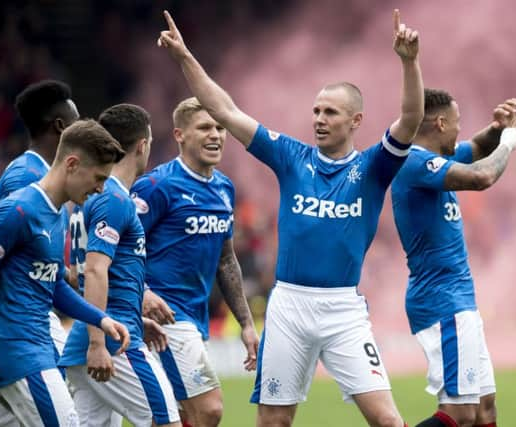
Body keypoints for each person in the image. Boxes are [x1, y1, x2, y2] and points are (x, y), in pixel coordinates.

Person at [157, 8, 423, 427]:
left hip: (343, 310)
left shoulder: (374, 167)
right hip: (288, 307)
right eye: (316, 111)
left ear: (356, 121)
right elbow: (225, 111)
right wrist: (185, 56)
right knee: (273, 422)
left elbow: (410, 119)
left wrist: (409, 62)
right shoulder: (291, 157)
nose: (318, 119)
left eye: (330, 113)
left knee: (387, 420)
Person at [0, 119, 130, 426]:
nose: (101, 188)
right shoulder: (18, 210)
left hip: (19, 353)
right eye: (98, 178)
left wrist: (100, 318)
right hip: (21, 354)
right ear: (72, 164)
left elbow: (54, 284)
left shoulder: (58, 213)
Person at [390, 89, 516, 427]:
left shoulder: (438, 161)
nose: (459, 131)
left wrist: (497, 129)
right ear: (439, 123)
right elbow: (482, 176)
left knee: (484, 407)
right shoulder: (415, 162)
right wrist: (508, 142)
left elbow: (478, 148)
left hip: (458, 300)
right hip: (441, 302)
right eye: (457, 124)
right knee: (460, 413)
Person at [130, 97, 259, 427]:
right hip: (165, 317)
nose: (216, 134)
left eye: (219, 127)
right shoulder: (156, 186)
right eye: (204, 127)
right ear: (179, 134)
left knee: (176, 414)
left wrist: (245, 323)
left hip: (196, 316)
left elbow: (226, 260)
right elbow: (121, 248)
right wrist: (141, 292)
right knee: (209, 408)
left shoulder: (224, 188)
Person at [60, 104, 181, 427]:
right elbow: (96, 270)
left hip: (96, 335)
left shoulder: (88, 198)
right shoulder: (113, 200)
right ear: (142, 145)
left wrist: (135, 318)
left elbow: (78, 273)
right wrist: (100, 341)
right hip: (114, 341)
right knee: (165, 421)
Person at [0, 80, 81, 360]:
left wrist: (62, 272)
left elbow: (29, 254)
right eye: (78, 122)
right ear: (60, 126)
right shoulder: (25, 177)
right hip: (15, 321)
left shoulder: (47, 175)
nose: (84, 130)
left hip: (33, 309)